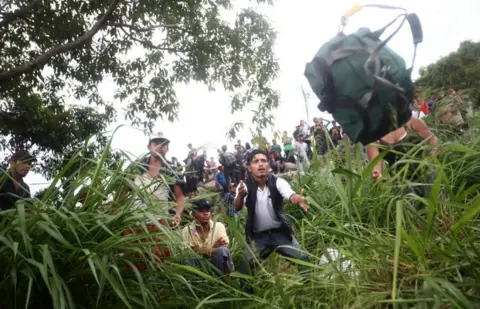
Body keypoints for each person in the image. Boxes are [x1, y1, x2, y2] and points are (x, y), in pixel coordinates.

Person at [234, 149, 309, 288]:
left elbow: (290, 195)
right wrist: (240, 196)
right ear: (250, 168)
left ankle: (311, 289)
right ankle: (247, 297)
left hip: (280, 233)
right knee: (245, 265)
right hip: (259, 237)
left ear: (269, 165)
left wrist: (298, 199)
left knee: (304, 259)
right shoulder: (244, 186)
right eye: (256, 161)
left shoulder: (278, 182)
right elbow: (237, 207)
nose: (260, 164)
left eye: (263, 161)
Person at [367, 117, 437, 196]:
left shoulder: (411, 121)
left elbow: (432, 139)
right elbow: (376, 162)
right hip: (401, 183)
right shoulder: (373, 135)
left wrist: (431, 157)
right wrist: (377, 173)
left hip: (426, 174)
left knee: (435, 204)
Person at [129, 132, 186, 227]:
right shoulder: (137, 166)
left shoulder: (172, 169)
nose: (160, 147)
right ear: (149, 147)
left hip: (160, 222)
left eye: (164, 144)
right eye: (156, 143)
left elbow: (180, 196)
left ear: (167, 149)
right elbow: (123, 189)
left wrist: (178, 214)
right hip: (134, 219)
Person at [182, 199, 234, 277]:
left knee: (223, 251)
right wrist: (214, 248)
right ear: (193, 214)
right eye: (201, 211)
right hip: (197, 263)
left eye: (207, 210)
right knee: (186, 258)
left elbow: (224, 247)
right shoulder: (187, 230)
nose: (205, 213)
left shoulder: (218, 226)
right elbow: (190, 252)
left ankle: (226, 284)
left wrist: (201, 250)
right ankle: (193, 285)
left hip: (215, 261)